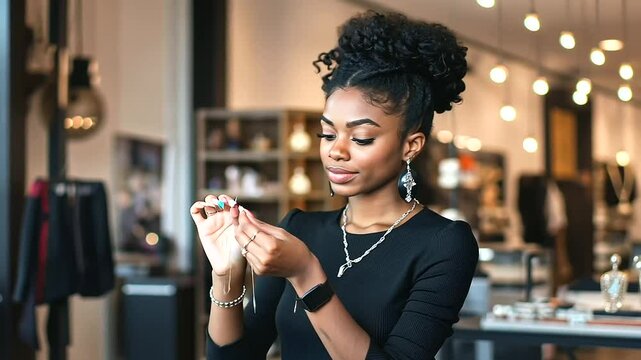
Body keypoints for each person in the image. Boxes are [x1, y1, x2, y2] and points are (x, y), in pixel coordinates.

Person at [190, 11, 478, 360]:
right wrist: (227, 275)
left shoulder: (444, 243)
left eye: (361, 138)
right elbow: (233, 358)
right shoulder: (298, 229)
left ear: (410, 146)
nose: (335, 151)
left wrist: (306, 273)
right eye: (327, 134)